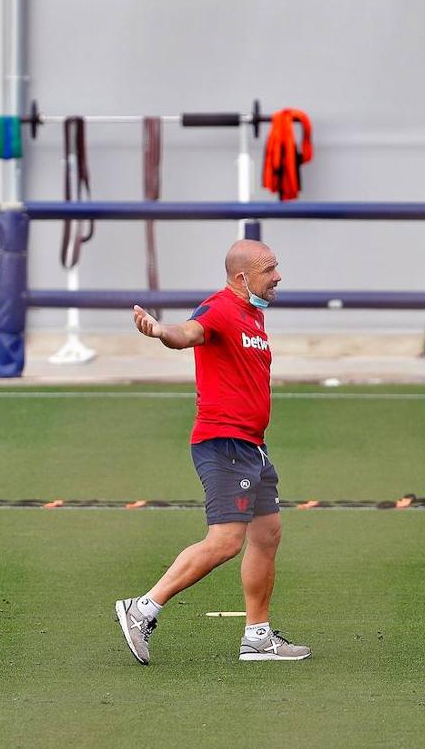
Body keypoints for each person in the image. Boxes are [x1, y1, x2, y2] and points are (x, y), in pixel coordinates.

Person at [114, 239, 310, 663]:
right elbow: (188, 333)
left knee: (267, 534)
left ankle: (257, 637)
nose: (278, 276)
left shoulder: (254, 316)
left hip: (251, 446)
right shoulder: (220, 308)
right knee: (224, 542)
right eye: (270, 269)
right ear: (242, 277)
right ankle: (142, 608)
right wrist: (161, 330)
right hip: (224, 443)